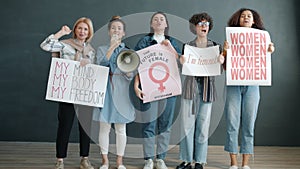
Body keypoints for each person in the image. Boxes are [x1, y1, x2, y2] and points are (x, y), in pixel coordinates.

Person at [222, 8, 275, 169]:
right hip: (233, 84)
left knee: (249, 124)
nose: (246, 17)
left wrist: (269, 50)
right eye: (243, 16)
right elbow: (224, 66)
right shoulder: (231, 38)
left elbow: (263, 62)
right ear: (238, 20)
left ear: (254, 21)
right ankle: (233, 163)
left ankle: (245, 164)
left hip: (253, 85)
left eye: (249, 16)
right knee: (232, 123)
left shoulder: (262, 38)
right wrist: (225, 50)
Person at [40, 17, 95, 169]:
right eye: (79, 28)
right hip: (67, 92)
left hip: (84, 94)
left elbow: (94, 74)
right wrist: (60, 33)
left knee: (85, 128)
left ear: (89, 32)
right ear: (75, 29)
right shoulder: (64, 45)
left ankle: (85, 159)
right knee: (65, 125)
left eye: (85, 29)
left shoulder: (91, 51)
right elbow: (45, 46)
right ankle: (60, 160)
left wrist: (89, 64)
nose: (82, 31)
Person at [175, 12, 224, 169]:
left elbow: (219, 71)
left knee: (203, 126)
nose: (204, 26)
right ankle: (187, 160)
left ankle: (200, 161)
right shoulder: (188, 46)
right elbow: (184, 68)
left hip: (207, 89)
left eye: (206, 24)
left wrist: (221, 61)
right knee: (186, 125)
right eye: (201, 24)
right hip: (190, 88)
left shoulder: (215, 46)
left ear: (209, 27)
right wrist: (181, 61)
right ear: (195, 27)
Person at [133, 11, 181, 169]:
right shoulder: (144, 41)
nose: (159, 21)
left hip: (169, 89)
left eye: (162, 19)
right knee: (149, 124)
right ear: (151, 25)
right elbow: (137, 66)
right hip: (149, 88)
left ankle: (160, 158)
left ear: (166, 24)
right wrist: (136, 86)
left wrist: (171, 48)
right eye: (156, 19)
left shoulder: (173, 41)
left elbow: (181, 62)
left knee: (165, 124)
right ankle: (148, 159)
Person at [92, 16, 135, 169]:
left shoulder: (128, 51)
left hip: (122, 91)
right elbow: (101, 64)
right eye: (113, 28)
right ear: (109, 31)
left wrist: (129, 72)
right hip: (105, 91)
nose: (116, 30)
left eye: (119, 28)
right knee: (104, 128)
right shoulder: (102, 49)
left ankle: (119, 162)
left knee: (120, 128)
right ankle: (105, 161)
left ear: (123, 33)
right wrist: (111, 47)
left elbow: (131, 74)